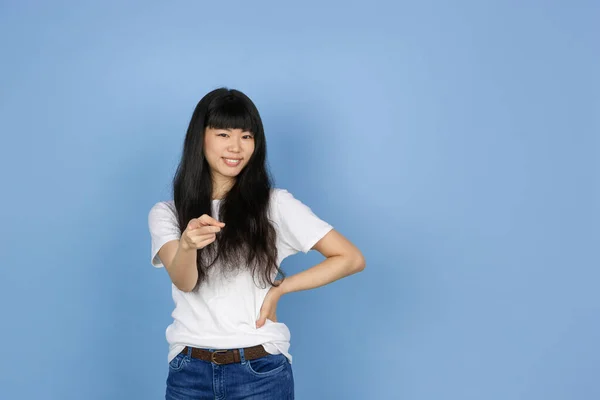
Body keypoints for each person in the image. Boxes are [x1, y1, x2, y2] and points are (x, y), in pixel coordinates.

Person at [148, 87, 366, 399]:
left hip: (259, 370)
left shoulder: (273, 205)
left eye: (246, 136)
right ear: (201, 138)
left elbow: (350, 257)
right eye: (223, 134)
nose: (236, 147)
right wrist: (187, 245)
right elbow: (185, 282)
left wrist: (282, 288)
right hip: (188, 372)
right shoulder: (168, 213)